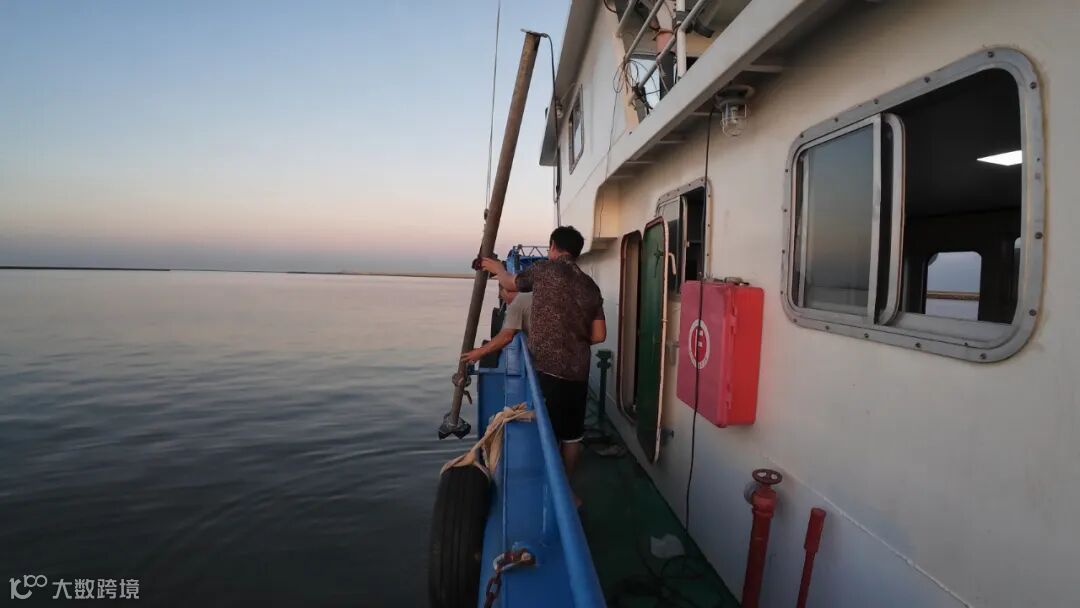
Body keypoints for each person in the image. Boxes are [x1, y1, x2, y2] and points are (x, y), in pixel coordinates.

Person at [480, 226, 606, 506]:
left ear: (553, 247)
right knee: (572, 437)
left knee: (546, 433)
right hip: (579, 373)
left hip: (548, 370)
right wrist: (573, 337)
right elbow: (599, 335)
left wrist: (497, 268)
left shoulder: (545, 270)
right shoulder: (590, 286)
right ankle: (566, 492)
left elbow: (511, 283)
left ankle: (548, 490)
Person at [460, 286, 531, 364]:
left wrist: (479, 352)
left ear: (505, 292)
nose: (502, 299)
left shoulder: (516, 303)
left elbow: (506, 337)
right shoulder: (533, 295)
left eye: (501, 295)